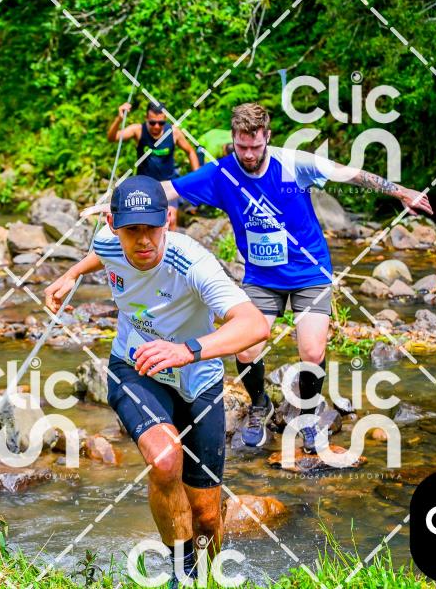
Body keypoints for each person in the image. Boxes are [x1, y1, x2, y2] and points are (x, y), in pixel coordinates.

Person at [158, 102, 432, 453]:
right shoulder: (221, 173)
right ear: (233, 140)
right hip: (261, 276)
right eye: (242, 147)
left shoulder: (292, 163)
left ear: (268, 137)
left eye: (256, 147)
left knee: (312, 351)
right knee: (246, 346)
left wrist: (400, 192)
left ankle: (307, 415)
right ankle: (260, 404)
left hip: (309, 272)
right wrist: (119, 202)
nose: (248, 155)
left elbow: (348, 173)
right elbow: (169, 189)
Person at [45, 175, 269, 586]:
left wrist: (187, 350)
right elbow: (101, 253)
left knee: (206, 515)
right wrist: (71, 275)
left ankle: (208, 576)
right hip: (136, 368)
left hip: (198, 380)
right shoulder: (109, 241)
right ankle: (182, 574)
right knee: (165, 461)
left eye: (151, 227)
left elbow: (254, 325)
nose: (143, 240)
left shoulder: (192, 261)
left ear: (168, 220)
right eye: (132, 230)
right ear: (113, 225)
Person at [107, 102, 201, 230]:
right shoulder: (138, 130)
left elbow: (190, 151)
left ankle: (171, 242)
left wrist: (197, 177)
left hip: (168, 183)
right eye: (152, 123)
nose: (156, 126)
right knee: (145, 224)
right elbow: (112, 138)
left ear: (165, 119)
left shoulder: (173, 132)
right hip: (145, 185)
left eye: (161, 123)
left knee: (171, 219)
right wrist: (119, 119)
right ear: (146, 118)